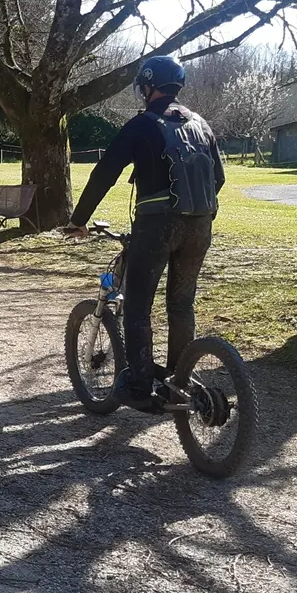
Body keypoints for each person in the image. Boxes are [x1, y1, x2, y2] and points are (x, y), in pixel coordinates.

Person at [64, 55, 225, 410]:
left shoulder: (142, 125)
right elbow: (219, 179)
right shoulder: (202, 125)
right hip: (200, 226)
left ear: (147, 87)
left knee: (138, 306)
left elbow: (104, 173)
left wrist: (79, 220)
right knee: (181, 305)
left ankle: (138, 387)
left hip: (157, 226)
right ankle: (178, 381)